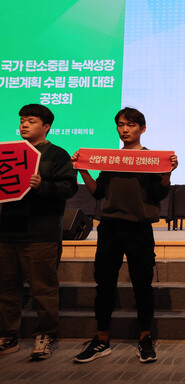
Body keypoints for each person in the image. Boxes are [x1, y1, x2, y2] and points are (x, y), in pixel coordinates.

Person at [71, 107, 178, 364]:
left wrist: (167, 173)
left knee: (143, 286)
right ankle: (101, 339)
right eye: (120, 125)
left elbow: (159, 194)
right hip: (110, 228)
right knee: (104, 285)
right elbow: (98, 193)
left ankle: (144, 338)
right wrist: (83, 170)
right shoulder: (110, 158)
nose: (124, 129)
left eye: (130, 125)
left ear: (142, 128)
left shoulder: (153, 159)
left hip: (139, 229)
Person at [0, 104, 78, 361]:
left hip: (41, 234)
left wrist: (43, 186)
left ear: (45, 127)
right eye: (22, 120)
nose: (24, 124)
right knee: (6, 289)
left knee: (43, 289)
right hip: (8, 233)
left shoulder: (56, 154)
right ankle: (8, 335)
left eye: (31, 121)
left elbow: (69, 188)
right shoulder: (8, 152)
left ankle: (46, 335)